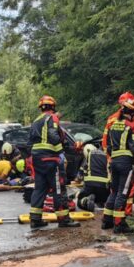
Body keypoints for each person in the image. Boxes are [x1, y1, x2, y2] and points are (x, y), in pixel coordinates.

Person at [28, 95, 80, 229]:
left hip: (37, 159)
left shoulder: (36, 120)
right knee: (59, 188)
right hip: (51, 159)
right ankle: (64, 219)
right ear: (52, 107)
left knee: (40, 188)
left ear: (41, 108)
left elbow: (31, 141)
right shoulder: (52, 117)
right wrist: (62, 146)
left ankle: (35, 219)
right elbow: (54, 136)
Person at [102, 92, 134, 218]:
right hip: (127, 162)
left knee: (114, 191)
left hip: (113, 160)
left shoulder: (112, 120)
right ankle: (120, 220)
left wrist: (110, 158)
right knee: (125, 190)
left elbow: (106, 143)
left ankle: (107, 219)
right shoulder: (133, 123)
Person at [76, 144, 110, 212]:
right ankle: (101, 202)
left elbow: (80, 175)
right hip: (104, 186)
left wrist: (81, 180)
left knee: (79, 199)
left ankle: (85, 201)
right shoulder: (106, 155)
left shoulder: (89, 156)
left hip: (90, 185)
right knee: (103, 198)